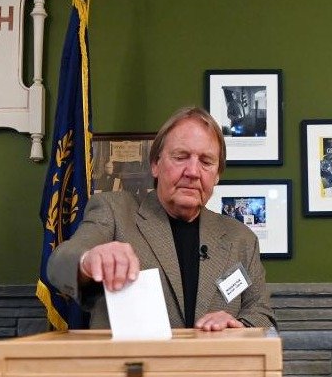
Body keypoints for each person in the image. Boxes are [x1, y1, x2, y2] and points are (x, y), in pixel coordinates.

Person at [47, 106, 275, 331]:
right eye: (181, 157)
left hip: (213, 367)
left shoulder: (241, 239)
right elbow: (58, 268)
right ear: (156, 164)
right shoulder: (115, 211)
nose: (193, 172)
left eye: (206, 162)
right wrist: (89, 260)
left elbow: (262, 314)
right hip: (134, 367)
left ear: (216, 175)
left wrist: (237, 325)